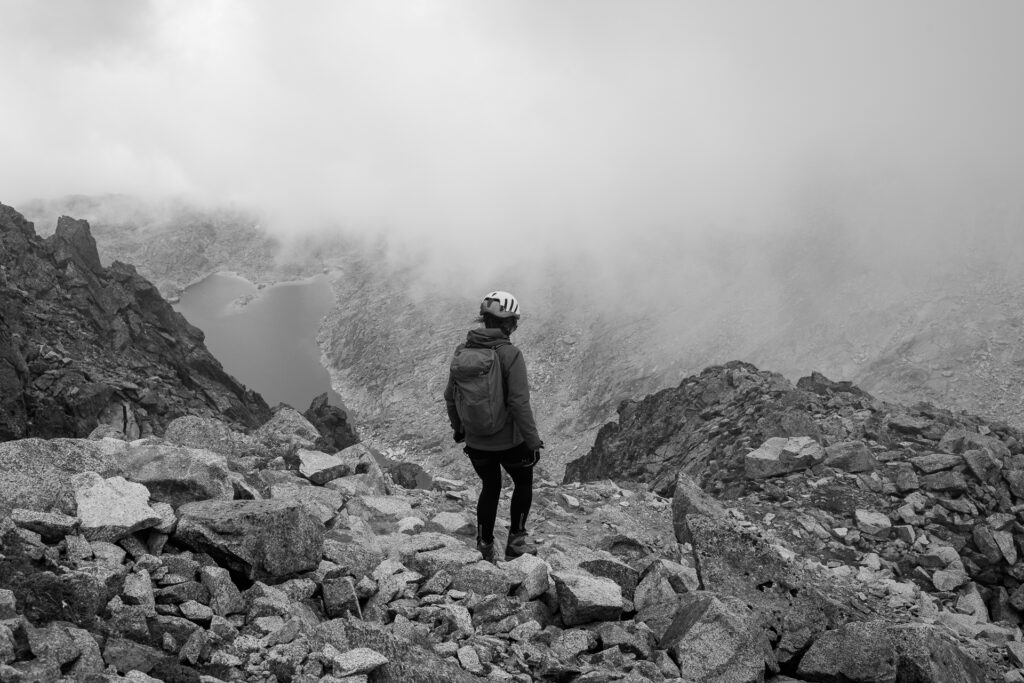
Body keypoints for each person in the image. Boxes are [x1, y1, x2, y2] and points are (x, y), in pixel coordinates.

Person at [444, 290, 543, 562]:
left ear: (483, 319)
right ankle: (517, 540)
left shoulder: (462, 352)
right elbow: (519, 403)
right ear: (509, 324)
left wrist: (459, 429)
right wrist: (533, 442)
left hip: (476, 442)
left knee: (490, 487)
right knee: (523, 482)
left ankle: (484, 544)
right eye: (514, 323)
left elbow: (450, 396)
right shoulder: (510, 354)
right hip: (511, 442)